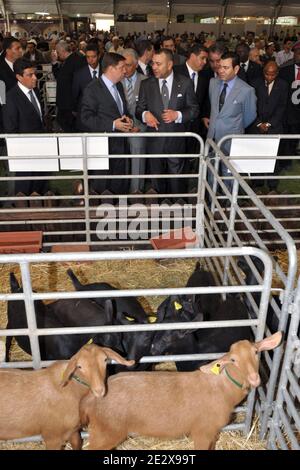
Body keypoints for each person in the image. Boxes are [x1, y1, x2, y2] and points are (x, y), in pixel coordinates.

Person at [136, 48, 199, 195]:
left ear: (170, 65)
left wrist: (177, 115)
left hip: (176, 142)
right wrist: (146, 115)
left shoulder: (185, 83)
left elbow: (194, 110)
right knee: (157, 181)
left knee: (177, 181)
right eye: (153, 63)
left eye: (159, 64)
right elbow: (138, 110)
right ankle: (159, 209)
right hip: (154, 142)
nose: (154, 67)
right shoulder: (146, 84)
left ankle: (177, 206)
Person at [80, 52, 133, 195]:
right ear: (111, 68)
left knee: (121, 185)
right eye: (122, 67)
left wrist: (128, 119)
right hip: (102, 148)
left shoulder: (119, 86)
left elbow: (122, 111)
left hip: (120, 146)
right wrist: (112, 124)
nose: (125, 70)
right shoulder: (92, 89)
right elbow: (86, 118)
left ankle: (119, 214)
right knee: (103, 187)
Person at [2, 58, 48, 195]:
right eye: (30, 75)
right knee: (24, 191)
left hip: (41, 151)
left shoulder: (37, 92)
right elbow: (10, 130)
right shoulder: (11, 98)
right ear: (19, 77)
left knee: (40, 187)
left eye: (35, 74)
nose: (35, 78)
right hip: (23, 155)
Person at [248, 61, 289, 189]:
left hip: (274, 127)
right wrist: (259, 123)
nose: (269, 77)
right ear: (263, 72)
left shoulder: (283, 85)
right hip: (256, 126)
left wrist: (269, 124)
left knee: (273, 158)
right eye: (266, 74)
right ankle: (257, 184)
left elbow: (282, 107)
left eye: (272, 75)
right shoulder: (254, 83)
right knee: (256, 156)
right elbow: (250, 106)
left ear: (277, 73)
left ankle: (272, 185)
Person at [121, 48, 147, 194]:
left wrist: (139, 126)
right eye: (123, 65)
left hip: (139, 129)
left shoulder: (147, 81)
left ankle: (136, 192)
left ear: (136, 64)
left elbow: (151, 108)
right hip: (120, 129)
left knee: (137, 161)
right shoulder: (117, 80)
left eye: (129, 65)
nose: (125, 69)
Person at [174, 44, 209, 151]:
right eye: (202, 58)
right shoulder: (175, 72)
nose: (205, 62)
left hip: (196, 127)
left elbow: (205, 99)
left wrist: (204, 116)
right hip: (177, 125)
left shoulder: (205, 75)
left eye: (206, 59)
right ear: (193, 56)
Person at [52, 40, 86, 132]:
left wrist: (75, 107)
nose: (58, 55)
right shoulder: (67, 61)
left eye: (58, 53)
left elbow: (78, 85)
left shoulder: (76, 60)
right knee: (63, 123)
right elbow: (59, 77)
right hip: (65, 104)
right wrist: (54, 63)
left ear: (63, 51)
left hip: (70, 105)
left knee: (70, 127)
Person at [72, 43, 102, 130]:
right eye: (88, 57)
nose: (90, 60)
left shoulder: (106, 72)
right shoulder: (79, 74)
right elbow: (75, 96)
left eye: (93, 56)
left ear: (99, 56)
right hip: (85, 117)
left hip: (102, 117)